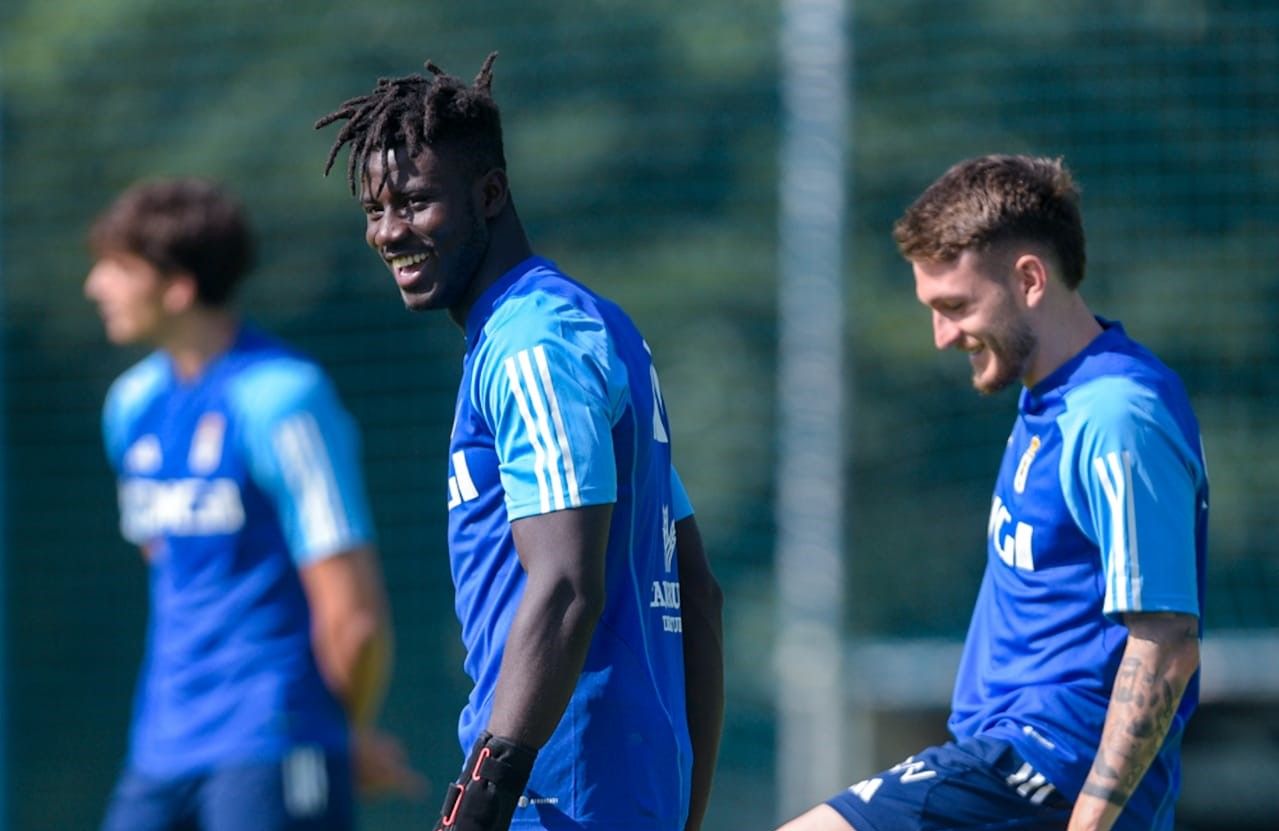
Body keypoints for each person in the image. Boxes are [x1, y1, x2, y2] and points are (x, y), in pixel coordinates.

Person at [315, 53, 725, 831]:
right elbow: (696, 590)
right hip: (622, 792)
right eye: (374, 210)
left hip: (560, 793)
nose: (389, 232)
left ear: (491, 194)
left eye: (415, 202)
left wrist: (485, 794)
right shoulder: (599, 329)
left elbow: (567, 584)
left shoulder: (531, 343)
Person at [776, 155, 1208, 831]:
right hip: (1009, 767)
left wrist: (1091, 817)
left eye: (954, 306)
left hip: (1042, 771)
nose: (942, 336)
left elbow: (1165, 637)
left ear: (1029, 279)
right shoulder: (1051, 397)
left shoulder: (1114, 415)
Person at [85, 178, 423, 831]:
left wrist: (337, 733)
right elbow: (173, 569)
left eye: (118, 268)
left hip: (275, 742)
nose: (95, 286)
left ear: (178, 286)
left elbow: (352, 616)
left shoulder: (284, 400)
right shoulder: (130, 406)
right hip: (160, 750)